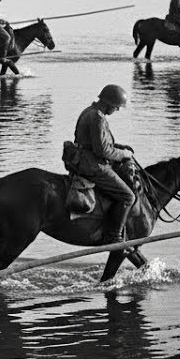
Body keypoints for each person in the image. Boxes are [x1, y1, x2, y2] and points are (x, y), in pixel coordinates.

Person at [71, 84, 137, 244]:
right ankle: (114, 236)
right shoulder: (98, 118)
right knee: (128, 196)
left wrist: (118, 147)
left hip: (84, 159)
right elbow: (102, 151)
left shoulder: (89, 111)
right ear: (110, 103)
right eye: (117, 107)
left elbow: (94, 143)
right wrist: (124, 154)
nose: (118, 110)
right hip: (93, 166)